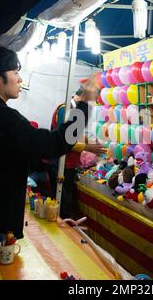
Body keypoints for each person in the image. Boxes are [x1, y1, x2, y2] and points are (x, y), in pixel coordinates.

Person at [0, 46, 98, 241]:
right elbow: (57, 143)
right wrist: (85, 104)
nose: (20, 79)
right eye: (15, 73)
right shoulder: (7, 120)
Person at [49, 82, 105, 219]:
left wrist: (90, 141)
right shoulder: (65, 109)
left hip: (70, 162)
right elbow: (64, 139)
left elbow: (75, 134)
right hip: (60, 162)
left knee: (67, 198)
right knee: (62, 199)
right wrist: (88, 147)